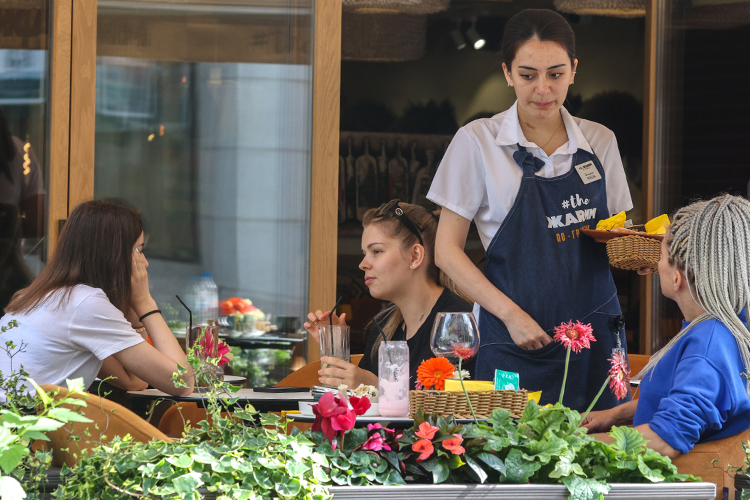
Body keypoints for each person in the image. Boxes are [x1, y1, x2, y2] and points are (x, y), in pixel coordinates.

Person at [427, 9, 633, 411]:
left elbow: (618, 233)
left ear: (574, 70)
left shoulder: (600, 141)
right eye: (527, 75)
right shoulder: (477, 142)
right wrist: (510, 316)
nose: (543, 89)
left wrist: (637, 255)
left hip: (597, 337)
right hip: (513, 336)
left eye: (556, 74)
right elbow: (446, 253)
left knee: (605, 460)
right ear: (507, 73)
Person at [583, 194, 750, 458]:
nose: (655, 265)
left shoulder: (708, 345)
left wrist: (570, 445)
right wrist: (618, 413)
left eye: (660, 255)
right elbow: (699, 400)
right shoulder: (726, 327)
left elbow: (665, 439)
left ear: (677, 278)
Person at [0, 199, 194, 398]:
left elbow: (134, 381)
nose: (144, 263)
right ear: (113, 255)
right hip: (22, 425)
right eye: (139, 251)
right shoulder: (85, 304)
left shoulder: (47, 296)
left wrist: (136, 317)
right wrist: (146, 304)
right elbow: (182, 383)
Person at [304, 200, 473, 390]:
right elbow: (360, 408)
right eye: (365, 253)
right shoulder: (385, 324)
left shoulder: (457, 323)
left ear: (415, 256)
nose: (363, 264)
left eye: (376, 251)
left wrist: (377, 387)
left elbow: (455, 409)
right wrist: (335, 348)